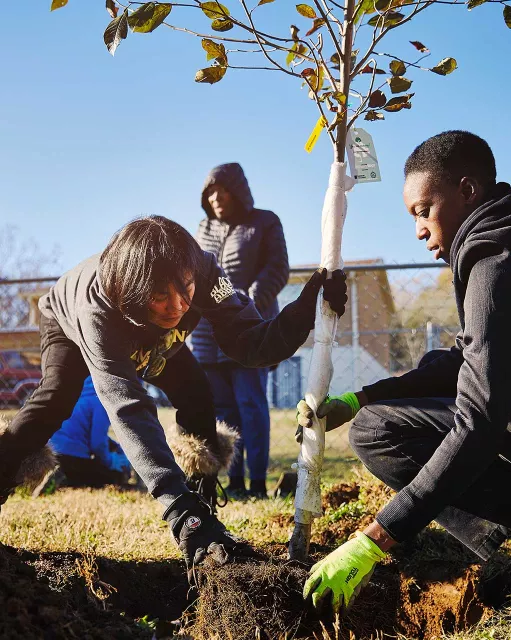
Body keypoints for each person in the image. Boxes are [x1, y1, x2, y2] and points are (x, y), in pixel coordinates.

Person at [298, 131, 511, 614]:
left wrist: (376, 538)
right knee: (380, 418)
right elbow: (469, 358)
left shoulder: (497, 259)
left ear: (467, 191)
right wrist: (362, 398)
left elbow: (480, 417)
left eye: (423, 210)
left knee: (382, 434)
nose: (418, 230)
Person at [0, 215, 347, 583]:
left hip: (154, 338)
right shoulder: (97, 309)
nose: (179, 306)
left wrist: (304, 309)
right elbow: (127, 408)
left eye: (185, 289)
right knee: (57, 398)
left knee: (196, 391)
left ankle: (202, 504)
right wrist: (176, 510)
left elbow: (249, 342)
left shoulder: (203, 272)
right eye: (160, 296)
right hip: (69, 321)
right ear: (135, 294)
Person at [191, 163, 289, 499]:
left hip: (250, 329)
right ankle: (232, 482)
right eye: (210, 192)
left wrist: (248, 301)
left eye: (222, 190)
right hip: (208, 336)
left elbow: (277, 268)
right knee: (223, 411)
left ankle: (257, 482)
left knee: (251, 406)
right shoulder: (203, 229)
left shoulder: (264, 222)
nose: (216, 197)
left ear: (238, 190)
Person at [47, 376, 131, 489]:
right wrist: (111, 461)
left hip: (52, 453)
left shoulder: (75, 394)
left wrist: (114, 445)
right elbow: (97, 444)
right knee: (110, 476)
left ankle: (58, 475)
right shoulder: (101, 401)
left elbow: (82, 431)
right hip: (73, 457)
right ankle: (64, 480)